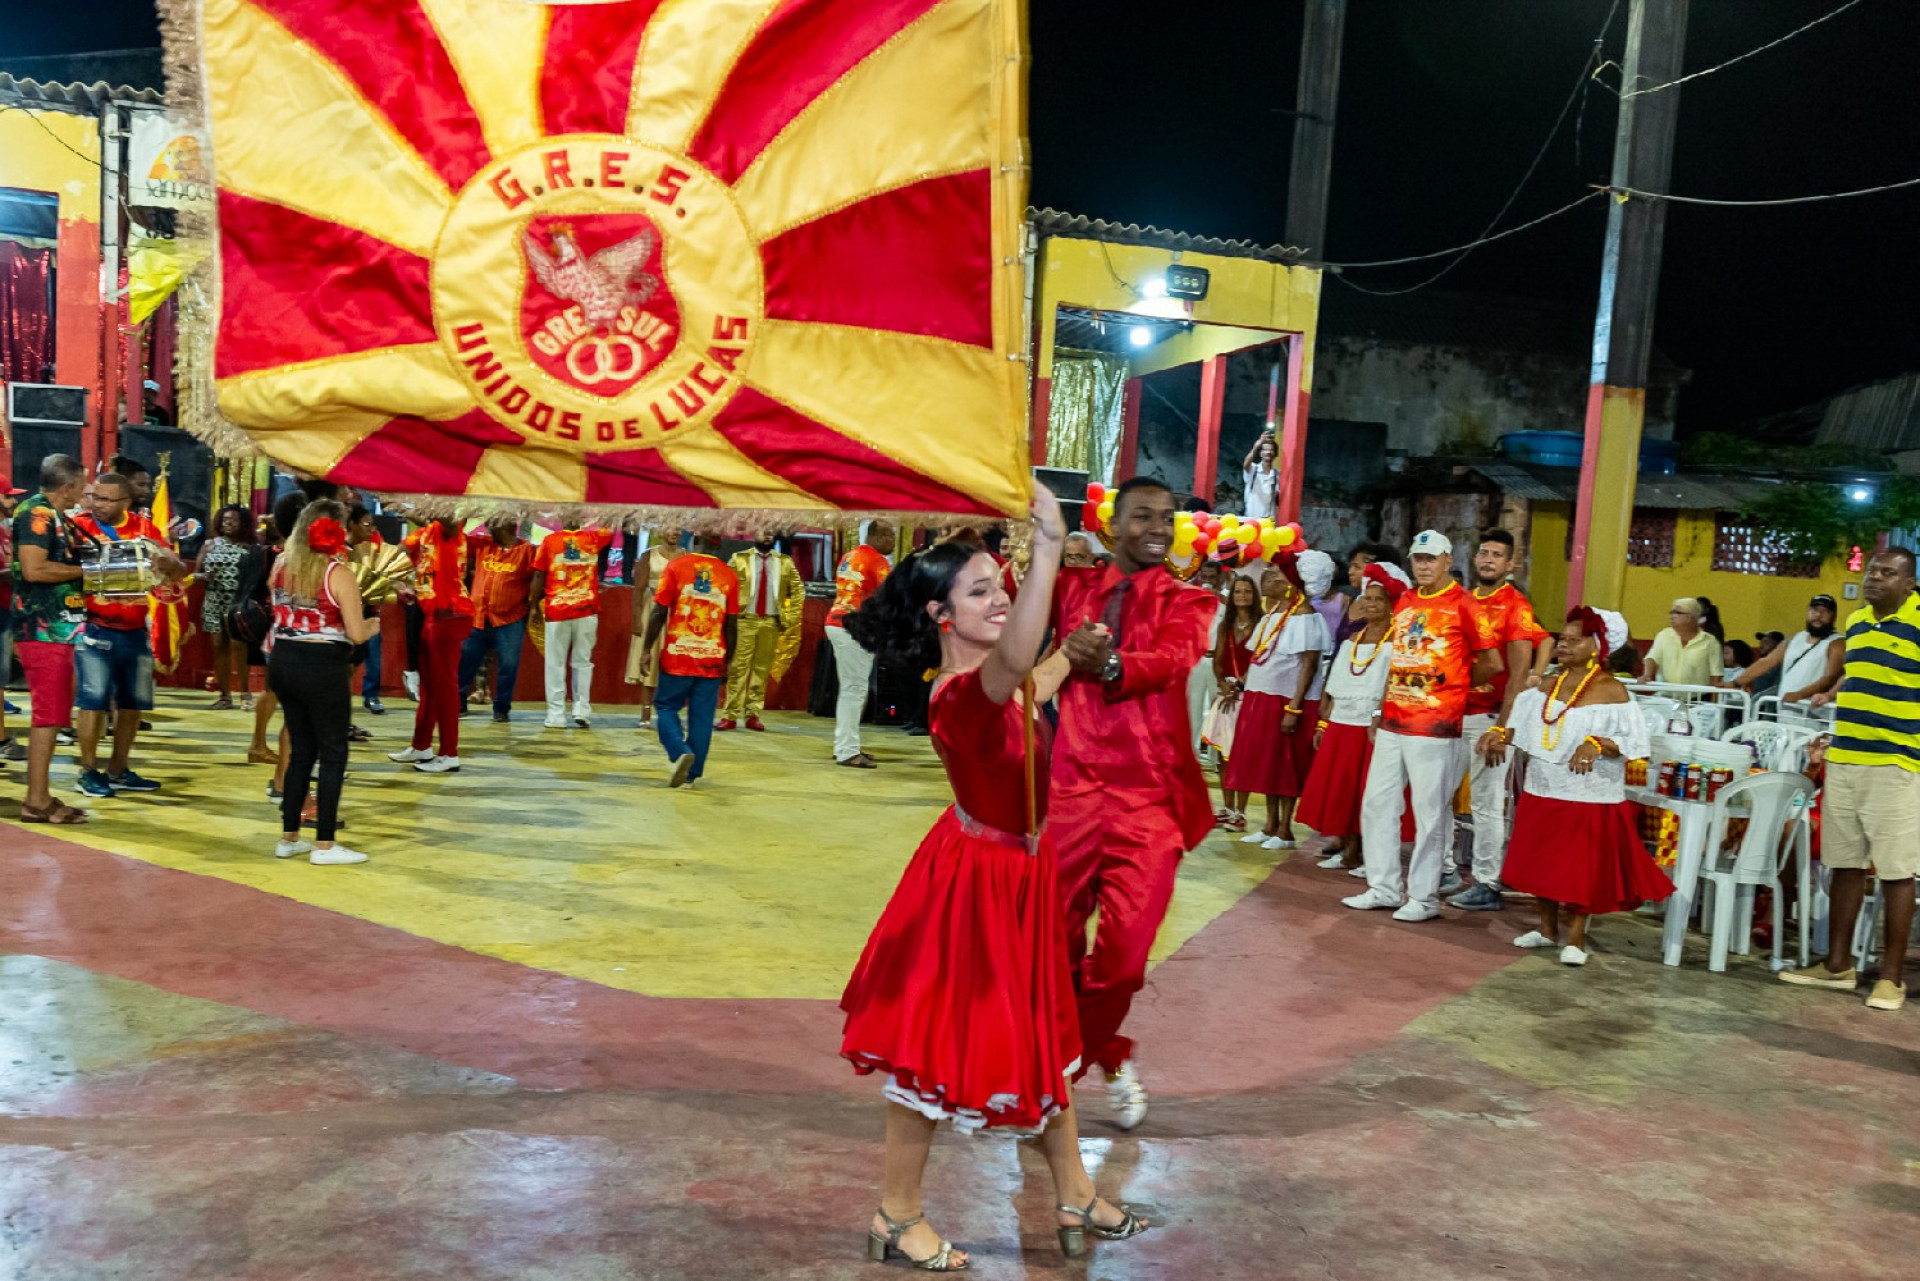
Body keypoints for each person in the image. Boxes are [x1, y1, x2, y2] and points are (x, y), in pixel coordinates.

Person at [838, 487, 1147, 1270]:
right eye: (980, 590)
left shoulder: (995, 688)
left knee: (1045, 1040)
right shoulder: (956, 697)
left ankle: (1073, 1187)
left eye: (999, 582)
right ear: (942, 617)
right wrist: (1048, 545)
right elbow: (1012, 671)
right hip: (977, 886)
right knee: (934, 1050)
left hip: (1019, 875)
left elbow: (1027, 682)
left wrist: (1066, 659)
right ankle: (895, 1212)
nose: (999, 595)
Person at [1050, 475, 1217, 1130]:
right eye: (1143, 515)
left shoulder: (1191, 598)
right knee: (1049, 952)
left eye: (1167, 517)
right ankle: (1108, 1053)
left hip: (1147, 803)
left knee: (1121, 962)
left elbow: (1174, 659)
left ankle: (1065, 1064)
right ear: (1112, 524)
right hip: (1067, 794)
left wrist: (1110, 662)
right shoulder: (1069, 588)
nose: (1157, 526)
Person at [1476, 608, 1672, 966]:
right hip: (1544, 786)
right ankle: (1547, 930)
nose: (1562, 645)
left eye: (1573, 640)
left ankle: (1577, 938)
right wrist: (1498, 734)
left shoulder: (1613, 691)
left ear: (1596, 646)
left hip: (1588, 793)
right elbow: (1522, 726)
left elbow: (1633, 744)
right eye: (1562, 638)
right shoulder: (1547, 685)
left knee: (1580, 868)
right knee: (1544, 862)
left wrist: (1598, 743)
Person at [1780, 548, 1920, 1012]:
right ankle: (1838, 965)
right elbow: (1853, 683)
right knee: (1846, 865)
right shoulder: (1858, 623)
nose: (1875, 578)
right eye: (1872, 571)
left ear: (1910, 583)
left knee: (1898, 873)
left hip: (1897, 764)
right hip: (1846, 757)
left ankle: (1893, 978)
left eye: (1888, 573)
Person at [1345, 529, 1496, 922]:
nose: (1424, 565)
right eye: (1418, 559)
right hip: (1394, 720)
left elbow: (1491, 663)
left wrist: (1453, 685)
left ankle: (1425, 897)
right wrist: (1381, 708)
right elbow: (1398, 660)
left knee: (1430, 812)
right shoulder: (1407, 600)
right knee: (1377, 803)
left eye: (1431, 558)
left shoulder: (1465, 604)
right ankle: (1383, 886)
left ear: (1448, 560)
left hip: (1436, 725)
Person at [268, 500, 379, 865]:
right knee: (333, 753)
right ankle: (325, 845)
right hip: (322, 665)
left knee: (301, 750)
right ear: (336, 530)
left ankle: (289, 837)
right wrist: (376, 623)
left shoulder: (282, 565)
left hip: (283, 659)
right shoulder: (337, 573)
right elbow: (357, 634)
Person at [1451, 528, 1552, 911]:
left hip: (1490, 718)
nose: (1488, 559)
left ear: (1511, 564)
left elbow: (1518, 674)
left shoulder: (1515, 605)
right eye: (1484, 553)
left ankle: (1487, 883)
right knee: (1437, 798)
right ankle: (1445, 869)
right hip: (1452, 715)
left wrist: (1502, 729)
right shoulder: (1461, 600)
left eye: (1497, 555)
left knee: (1487, 804)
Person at [69, 473, 186, 799]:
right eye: (95, 497)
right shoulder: (78, 526)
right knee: (91, 702)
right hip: (92, 627)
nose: (98, 505)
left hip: (135, 630)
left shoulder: (145, 528)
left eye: (107, 499)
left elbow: (178, 569)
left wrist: (169, 563)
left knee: (132, 703)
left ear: (126, 502)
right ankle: (88, 770)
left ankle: (119, 768)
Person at [1299, 561, 1407, 873]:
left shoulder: (1396, 644)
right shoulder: (1351, 642)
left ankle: (1366, 853)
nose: (1371, 604)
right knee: (1342, 788)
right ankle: (1347, 847)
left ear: (1390, 606)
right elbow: (1335, 688)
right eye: (1367, 599)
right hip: (1342, 722)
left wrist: (1377, 716)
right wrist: (1324, 722)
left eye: (1378, 600)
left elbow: (1388, 689)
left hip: (1371, 726)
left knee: (1367, 791)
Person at [1221, 555, 1334, 851]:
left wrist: (1294, 708)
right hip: (1262, 696)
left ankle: (1285, 829)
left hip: (1286, 702)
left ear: (1290, 583)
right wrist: (1240, 685)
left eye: (1275, 576)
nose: (1267, 580)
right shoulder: (1272, 612)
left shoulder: (1305, 615)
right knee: (1268, 765)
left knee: (1286, 765)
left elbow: (1309, 666)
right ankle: (1269, 824)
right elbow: (1260, 657)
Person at [11, 455, 91, 824]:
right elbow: (34, 569)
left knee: (54, 713)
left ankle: (41, 795)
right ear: (67, 487)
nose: (84, 492)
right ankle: (36, 801)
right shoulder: (37, 514)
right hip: (43, 628)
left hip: (58, 627)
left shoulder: (53, 515)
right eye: (82, 485)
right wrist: (89, 571)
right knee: (47, 716)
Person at [638, 532, 739, 787]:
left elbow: (659, 610)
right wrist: (729, 660)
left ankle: (680, 750)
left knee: (666, 706)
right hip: (712, 659)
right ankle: (692, 776)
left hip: (679, 657)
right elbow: (732, 623)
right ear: (720, 546)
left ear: (694, 541)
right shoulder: (729, 576)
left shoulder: (676, 567)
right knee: (702, 719)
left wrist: (647, 648)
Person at [388, 516, 472, 773]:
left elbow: (446, 517)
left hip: (449, 615)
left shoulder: (450, 529)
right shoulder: (423, 534)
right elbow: (397, 555)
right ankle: (422, 746)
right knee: (429, 686)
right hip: (431, 615)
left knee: (445, 688)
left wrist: (418, 504)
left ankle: (449, 753)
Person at [532, 521, 613, 728]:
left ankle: (556, 715)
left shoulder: (549, 541)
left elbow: (539, 575)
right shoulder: (593, 538)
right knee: (583, 662)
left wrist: (533, 605)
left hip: (557, 610)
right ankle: (581, 710)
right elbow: (612, 525)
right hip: (586, 610)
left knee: (555, 664)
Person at [827, 521, 895, 768]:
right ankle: (847, 751)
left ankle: (845, 744)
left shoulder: (850, 556)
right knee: (854, 690)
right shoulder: (877, 561)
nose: (892, 541)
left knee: (850, 689)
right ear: (876, 536)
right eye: (888, 535)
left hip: (837, 622)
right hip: (855, 627)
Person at [720, 533, 803, 732]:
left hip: (771, 622)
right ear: (754, 535)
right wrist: (727, 616)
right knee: (738, 668)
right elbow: (726, 587)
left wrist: (790, 618)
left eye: (770, 533)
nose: (766, 536)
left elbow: (798, 590)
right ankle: (730, 715)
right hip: (745, 620)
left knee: (761, 670)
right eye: (763, 532)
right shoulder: (738, 559)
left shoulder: (785, 562)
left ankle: (753, 714)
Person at [458, 517, 536, 724]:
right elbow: (457, 538)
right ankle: (458, 702)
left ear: (510, 526)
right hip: (478, 617)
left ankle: (501, 709)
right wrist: (465, 516)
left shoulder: (527, 551)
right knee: (465, 661)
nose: (490, 526)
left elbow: (537, 578)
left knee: (508, 666)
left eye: (495, 523)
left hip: (510, 620)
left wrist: (532, 606)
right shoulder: (483, 544)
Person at [1210, 574, 1263, 831]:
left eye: (1247, 591)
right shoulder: (1225, 625)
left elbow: (1261, 660)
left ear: (1254, 596)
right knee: (1222, 754)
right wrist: (1223, 686)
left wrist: (1240, 685)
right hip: (1227, 693)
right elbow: (1217, 661)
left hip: (1250, 695)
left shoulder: (1262, 624)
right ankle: (1227, 807)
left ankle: (1241, 813)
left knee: (1243, 756)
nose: (1242, 595)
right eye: (1238, 591)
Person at [1729, 594, 1842, 706]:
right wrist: (1735, 683)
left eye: (1825, 611)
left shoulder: (1837, 643)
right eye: (1815, 610)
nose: (1818, 615)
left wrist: (1799, 695)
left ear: (1834, 616)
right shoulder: (1795, 639)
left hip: (1815, 714)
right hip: (1785, 709)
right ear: (1807, 612)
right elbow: (1767, 662)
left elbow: (1829, 678)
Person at [198, 505, 256, 710]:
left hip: (237, 602)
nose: (228, 523)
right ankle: (224, 696)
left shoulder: (250, 546)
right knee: (218, 647)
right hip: (213, 600)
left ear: (243, 524)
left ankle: (246, 693)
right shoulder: (209, 544)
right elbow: (196, 573)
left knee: (239, 647)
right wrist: (204, 576)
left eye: (233, 520)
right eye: (225, 520)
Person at [626, 527, 683, 728]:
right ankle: (645, 712)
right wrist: (636, 619)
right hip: (652, 610)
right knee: (647, 659)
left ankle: (670, 711)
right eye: (671, 528)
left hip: (678, 613)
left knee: (675, 662)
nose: (674, 532)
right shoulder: (648, 555)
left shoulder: (687, 557)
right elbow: (638, 590)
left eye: (677, 529)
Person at [346, 506, 388, 714]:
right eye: (366, 524)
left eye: (373, 524)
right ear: (352, 525)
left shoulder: (374, 546)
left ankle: (371, 696)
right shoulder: (340, 551)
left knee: (371, 655)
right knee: (346, 665)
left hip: (369, 610)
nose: (371, 528)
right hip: (344, 615)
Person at [1642, 598, 1719, 687]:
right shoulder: (1664, 635)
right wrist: (1647, 675)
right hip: (1666, 696)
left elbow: (1716, 674)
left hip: (1698, 698)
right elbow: (1652, 658)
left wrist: (1714, 700)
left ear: (1690, 617)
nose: (1671, 616)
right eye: (1671, 613)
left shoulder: (1710, 642)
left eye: (1677, 613)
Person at [1240, 433, 1279, 522]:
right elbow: (1246, 464)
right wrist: (1256, 446)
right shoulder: (1253, 469)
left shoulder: (1277, 474)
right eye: (1265, 450)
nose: (1268, 452)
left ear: (1275, 453)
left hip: (1268, 522)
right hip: (1251, 519)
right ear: (1260, 453)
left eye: (1271, 450)